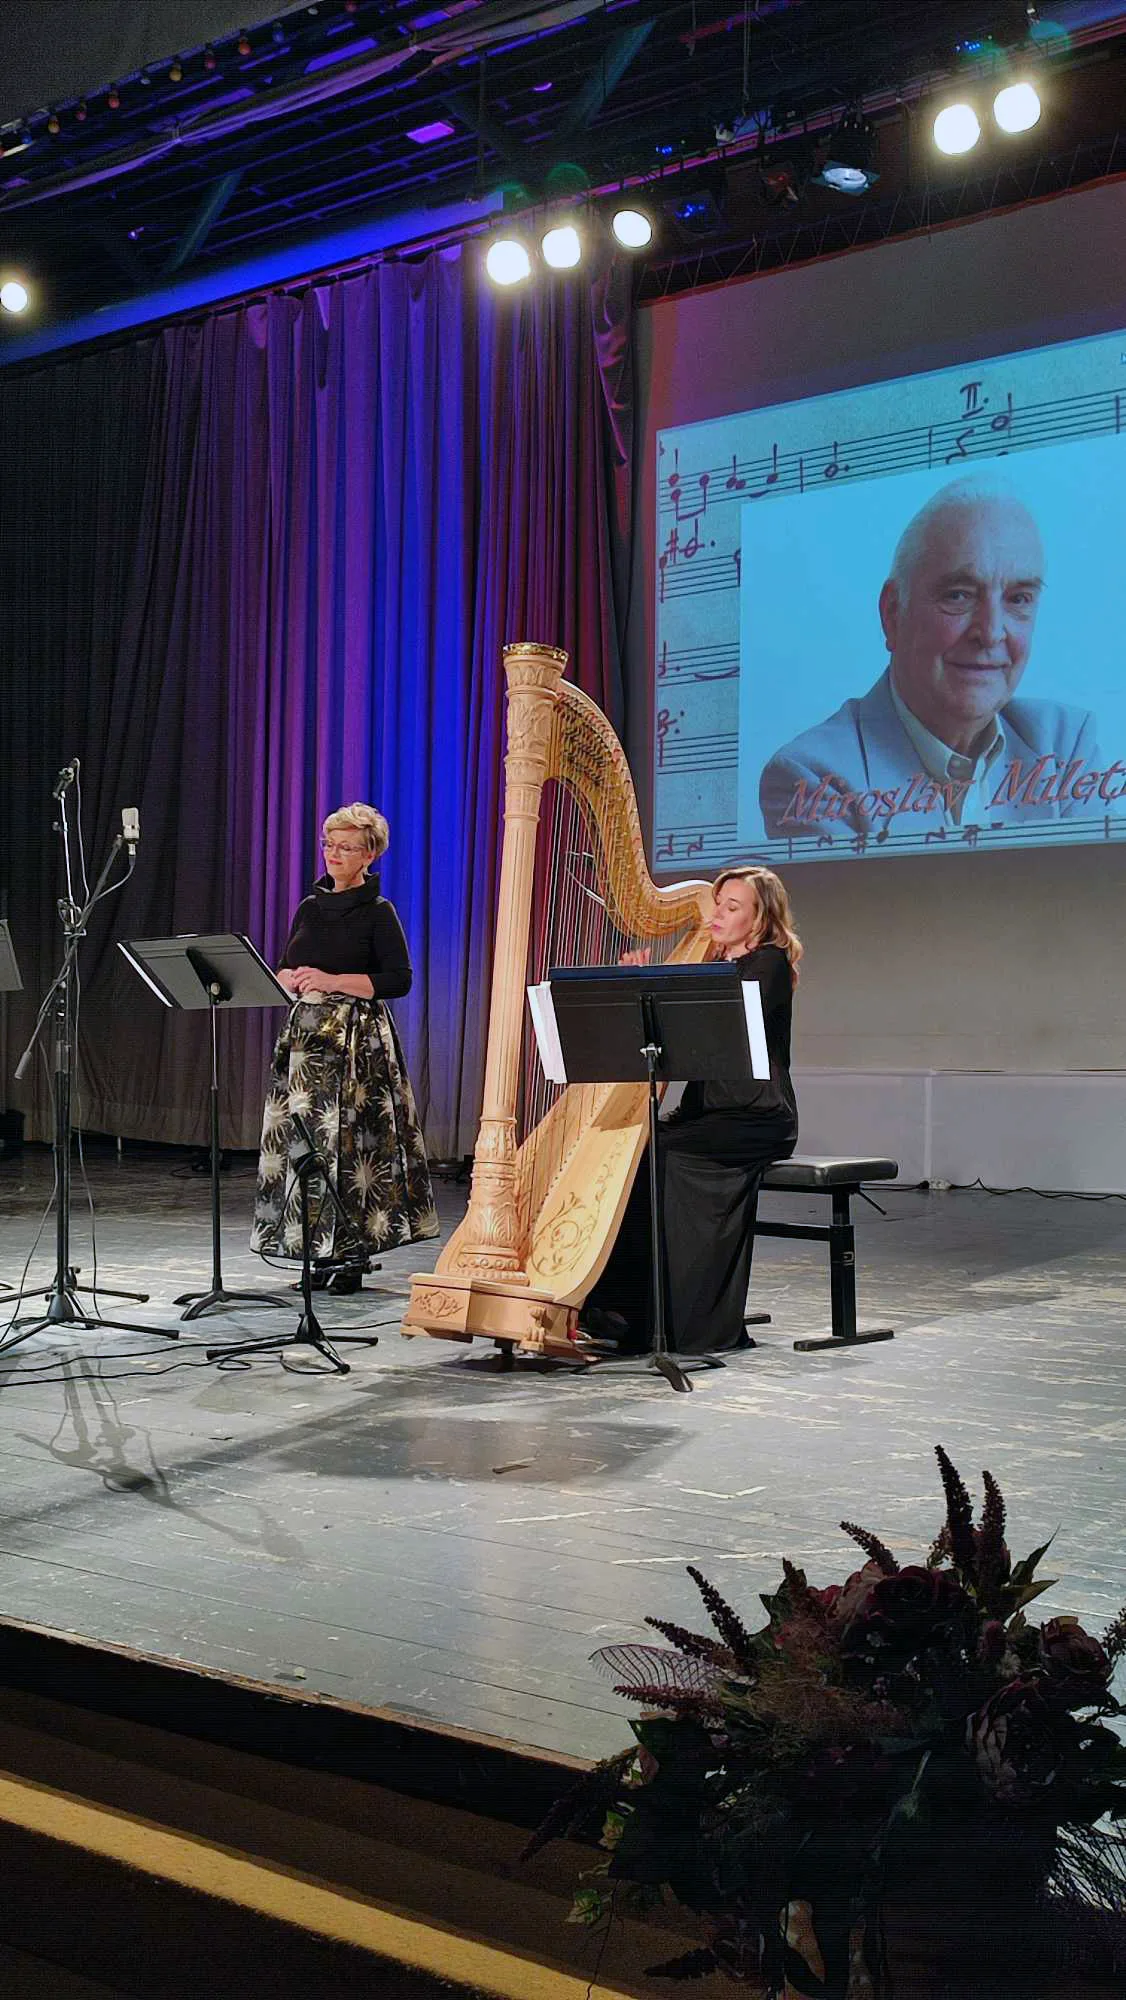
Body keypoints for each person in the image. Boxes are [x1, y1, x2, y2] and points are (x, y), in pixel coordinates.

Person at [759, 477, 1101, 841]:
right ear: (893, 613)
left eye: (1018, 599)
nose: (990, 633)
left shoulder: (1064, 746)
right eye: (958, 595)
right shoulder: (809, 778)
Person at [581, 866, 800, 1355]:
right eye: (717, 904)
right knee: (633, 1154)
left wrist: (660, 983)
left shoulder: (769, 965)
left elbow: (714, 1028)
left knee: (663, 1155)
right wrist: (640, 986)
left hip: (757, 1116)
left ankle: (677, 1317)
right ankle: (623, 1309)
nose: (716, 914)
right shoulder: (710, 964)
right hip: (706, 1114)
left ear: (760, 918)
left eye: (732, 907)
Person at [251, 803, 437, 1290]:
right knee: (306, 1145)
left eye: (346, 847)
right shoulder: (310, 907)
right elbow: (289, 963)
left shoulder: (378, 912)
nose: (333, 854)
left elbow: (398, 979)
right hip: (306, 1040)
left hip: (355, 1041)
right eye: (329, 844)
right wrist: (286, 977)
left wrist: (333, 980)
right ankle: (313, 1251)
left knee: (348, 1146)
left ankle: (350, 1257)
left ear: (369, 854)